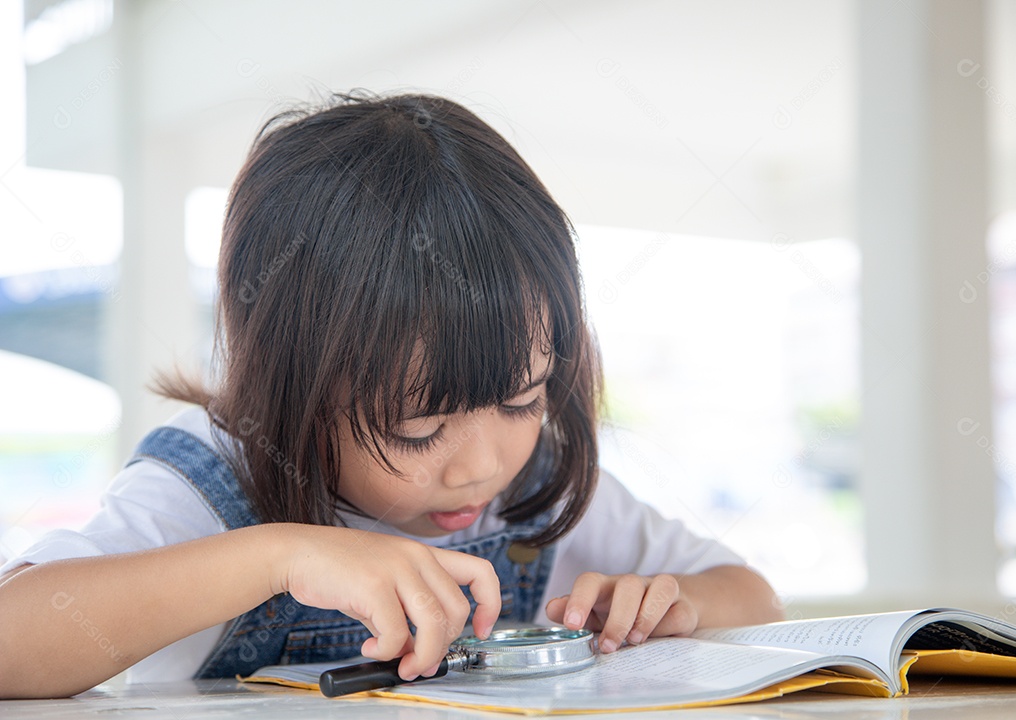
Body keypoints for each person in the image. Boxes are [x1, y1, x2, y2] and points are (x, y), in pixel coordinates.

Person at [0, 90, 782, 699]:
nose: (482, 467)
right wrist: (279, 556)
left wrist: (673, 606)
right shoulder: (212, 489)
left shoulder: (533, 496)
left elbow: (752, 597)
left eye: (521, 401)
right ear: (289, 388)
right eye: (418, 428)